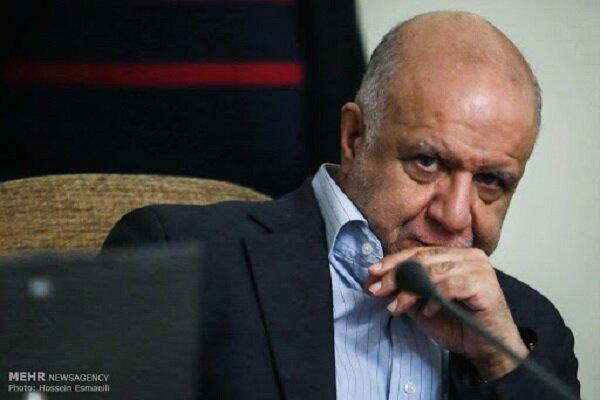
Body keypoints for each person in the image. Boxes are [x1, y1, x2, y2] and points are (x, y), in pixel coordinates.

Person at [103, 11, 579, 400]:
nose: (454, 216)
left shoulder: (529, 333)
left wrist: (500, 361)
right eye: (428, 162)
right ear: (354, 137)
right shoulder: (179, 255)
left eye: (491, 181)